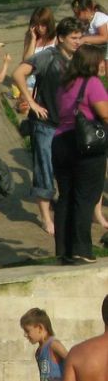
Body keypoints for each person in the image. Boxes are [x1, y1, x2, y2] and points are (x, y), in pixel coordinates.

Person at [12, 16, 83, 237]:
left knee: (70, 169)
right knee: (44, 169)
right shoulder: (47, 57)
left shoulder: (79, 58)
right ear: (61, 38)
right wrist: (31, 102)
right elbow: (18, 74)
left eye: (80, 37)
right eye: (74, 38)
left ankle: (67, 210)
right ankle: (45, 217)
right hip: (45, 123)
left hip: (70, 124)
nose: (78, 41)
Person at [52, 44, 108, 266]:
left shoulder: (64, 85)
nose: (104, 64)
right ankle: (81, 249)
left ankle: (64, 250)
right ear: (92, 63)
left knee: (66, 196)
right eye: (101, 60)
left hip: (60, 141)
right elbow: (104, 114)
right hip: (86, 145)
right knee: (85, 197)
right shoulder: (92, 83)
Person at [73, 0, 108, 74]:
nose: (76, 16)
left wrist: (85, 39)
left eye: (78, 14)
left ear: (87, 10)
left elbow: (104, 37)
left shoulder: (98, 18)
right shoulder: (86, 21)